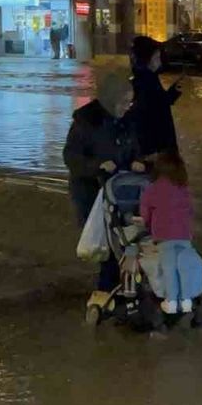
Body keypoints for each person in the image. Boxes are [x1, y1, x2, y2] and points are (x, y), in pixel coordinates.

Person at [63, 70, 143, 291]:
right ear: (112, 99)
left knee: (126, 239)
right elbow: (71, 157)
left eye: (131, 101)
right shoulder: (86, 121)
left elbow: (134, 147)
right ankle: (108, 288)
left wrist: (136, 161)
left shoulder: (127, 121)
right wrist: (98, 165)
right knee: (107, 244)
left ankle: (124, 285)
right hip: (92, 192)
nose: (129, 106)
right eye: (125, 101)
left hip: (120, 190)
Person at [140, 150, 202, 314]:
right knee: (184, 266)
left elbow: (145, 214)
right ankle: (187, 299)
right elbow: (190, 211)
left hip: (164, 236)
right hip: (184, 235)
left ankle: (172, 301)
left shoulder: (152, 190)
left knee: (169, 268)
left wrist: (147, 224)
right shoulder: (183, 189)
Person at [128, 35, 183, 156]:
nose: (160, 60)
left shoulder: (149, 79)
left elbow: (159, 103)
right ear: (148, 59)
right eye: (157, 57)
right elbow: (151, 117)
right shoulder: (145, 83)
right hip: (156, 153)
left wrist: (174, 92)